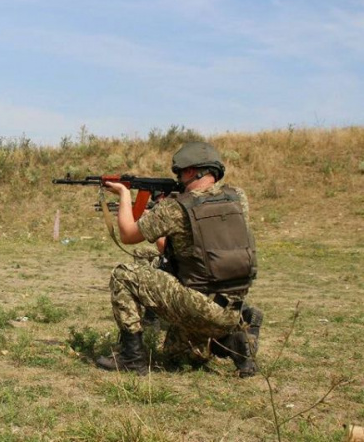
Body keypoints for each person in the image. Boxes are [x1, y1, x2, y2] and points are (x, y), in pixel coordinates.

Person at [95, 142, 262, 377]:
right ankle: (232, 339)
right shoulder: (238, 199)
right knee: (177, 356)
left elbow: (128, 235)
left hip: (199, 306)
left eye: (179, 172)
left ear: (191, 171)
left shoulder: (175, 209)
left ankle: (131, 358)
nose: (178, 177)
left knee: (123, 275)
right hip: (232, 305)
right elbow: (183, 247)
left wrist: (124, 194)